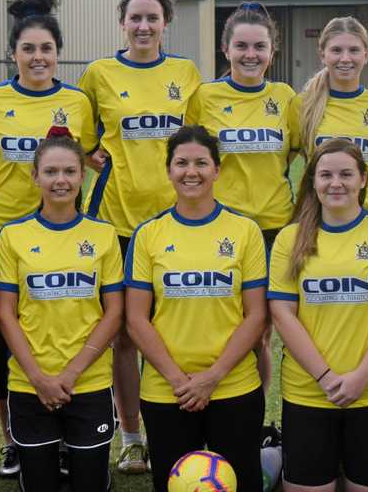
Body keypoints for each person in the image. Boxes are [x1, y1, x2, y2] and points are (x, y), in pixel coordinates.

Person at [0, 0, 97, 476]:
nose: (37, 57)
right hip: (3, 234)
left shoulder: (78, 102)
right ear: (13, 54)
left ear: (58, 52)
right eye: (28, 49)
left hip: (67, 232)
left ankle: (68, 434)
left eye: (46, 49)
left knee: (66, 328)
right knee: (7, 340)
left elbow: (96, 156)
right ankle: (13, 439)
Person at [80, 0, 200, 473]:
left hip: (178, 222)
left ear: (165, 23)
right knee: (125, 335)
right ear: (121, 21)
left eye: (152, 18)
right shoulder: (99, 74)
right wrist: (93, 158)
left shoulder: (185, 74)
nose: (144, 26)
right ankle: (130, 437)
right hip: (118, 222)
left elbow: (196, 142)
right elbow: (81, 137)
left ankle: (182, 427)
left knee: (176, 326)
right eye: (135, 18)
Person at [269, 138, 368, 492]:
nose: (336, 183)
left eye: (346, 174)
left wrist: (361, 377)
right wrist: (324, 377)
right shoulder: (290, 238)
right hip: (307, 391)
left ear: (363, 180)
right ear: (313, 182)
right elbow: (283, 314)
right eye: (326, 175)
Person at [126, 125, 267, 492]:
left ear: (217, 170)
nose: (192, 171)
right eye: (181, 163)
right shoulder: (148, 234)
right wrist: (178, 380)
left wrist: (213, 376)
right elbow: (136, 319)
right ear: (169, 170)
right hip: (167, 391)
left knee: (241, 483)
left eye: (202, 163)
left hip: (233, 386)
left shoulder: (245, 230)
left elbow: (256, 316)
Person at [0, 131, 124, 491]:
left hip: (90, 382)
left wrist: (72, 372)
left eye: (70, 171)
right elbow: (6, 314)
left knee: (90, 483)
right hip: (28, 384)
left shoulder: (103, 234)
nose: (61, 180)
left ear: (83, 175)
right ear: (35, 176)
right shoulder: (13, 236)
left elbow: (113, 312)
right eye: (51, 172)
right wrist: (38, 377)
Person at [186, 2, 299, 388]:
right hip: (220, 227)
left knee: (261, 330)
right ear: (225, 48)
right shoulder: (204, 97)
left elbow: (304, 148)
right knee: (221, 323)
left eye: (259, 47)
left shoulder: (286, 98)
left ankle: (254, 419)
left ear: (272, 51)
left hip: (273, 228)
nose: (251, 55)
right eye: (242, 46)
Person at [296, 16, 368, 217]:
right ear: (322, 54)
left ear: (366, 55)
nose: (346, 58)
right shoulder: (302, 105)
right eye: (337, 50)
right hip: (322, 214)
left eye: (354, 50)